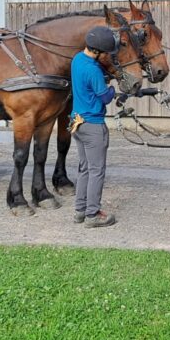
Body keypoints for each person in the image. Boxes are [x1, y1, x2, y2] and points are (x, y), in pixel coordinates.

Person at [70, 26, 119, 228]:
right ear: (98, 51)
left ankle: (80, 210)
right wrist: (113, 89)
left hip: (77, 122)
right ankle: (92, 214)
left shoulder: (77, 60)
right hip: (93, 126)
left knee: (84, 168)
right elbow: (105, 97)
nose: (107, 56)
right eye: (106, 52)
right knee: (97, 170)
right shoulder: (93, 70)